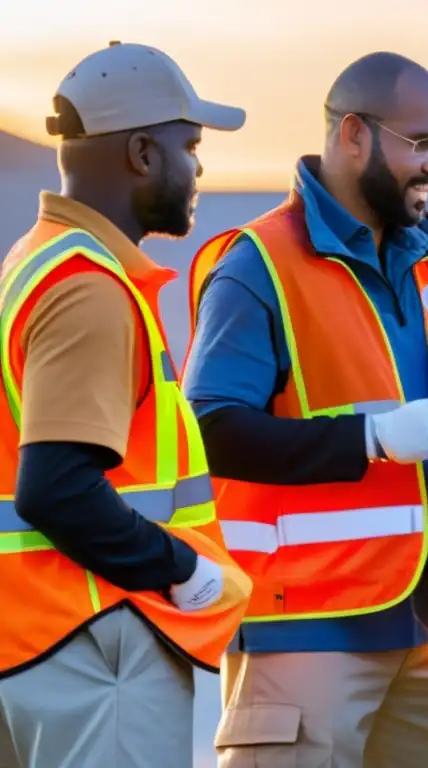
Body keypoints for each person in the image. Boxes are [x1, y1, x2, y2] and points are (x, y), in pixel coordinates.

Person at [181, 51, 428, 767]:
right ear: (354, 136)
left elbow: (421, 437)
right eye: (420, 144)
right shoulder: (258, 265)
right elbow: (208, 431)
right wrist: (372, 438)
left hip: (419, 628)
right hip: (300, 631)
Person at [0, 41, 252, 768]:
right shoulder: (88, 286)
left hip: (41, 637)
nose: (199, 168)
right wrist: (181, 566)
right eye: (190, 147)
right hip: (94, 640)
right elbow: (55, 487)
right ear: (143, 153)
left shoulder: (35, 259)